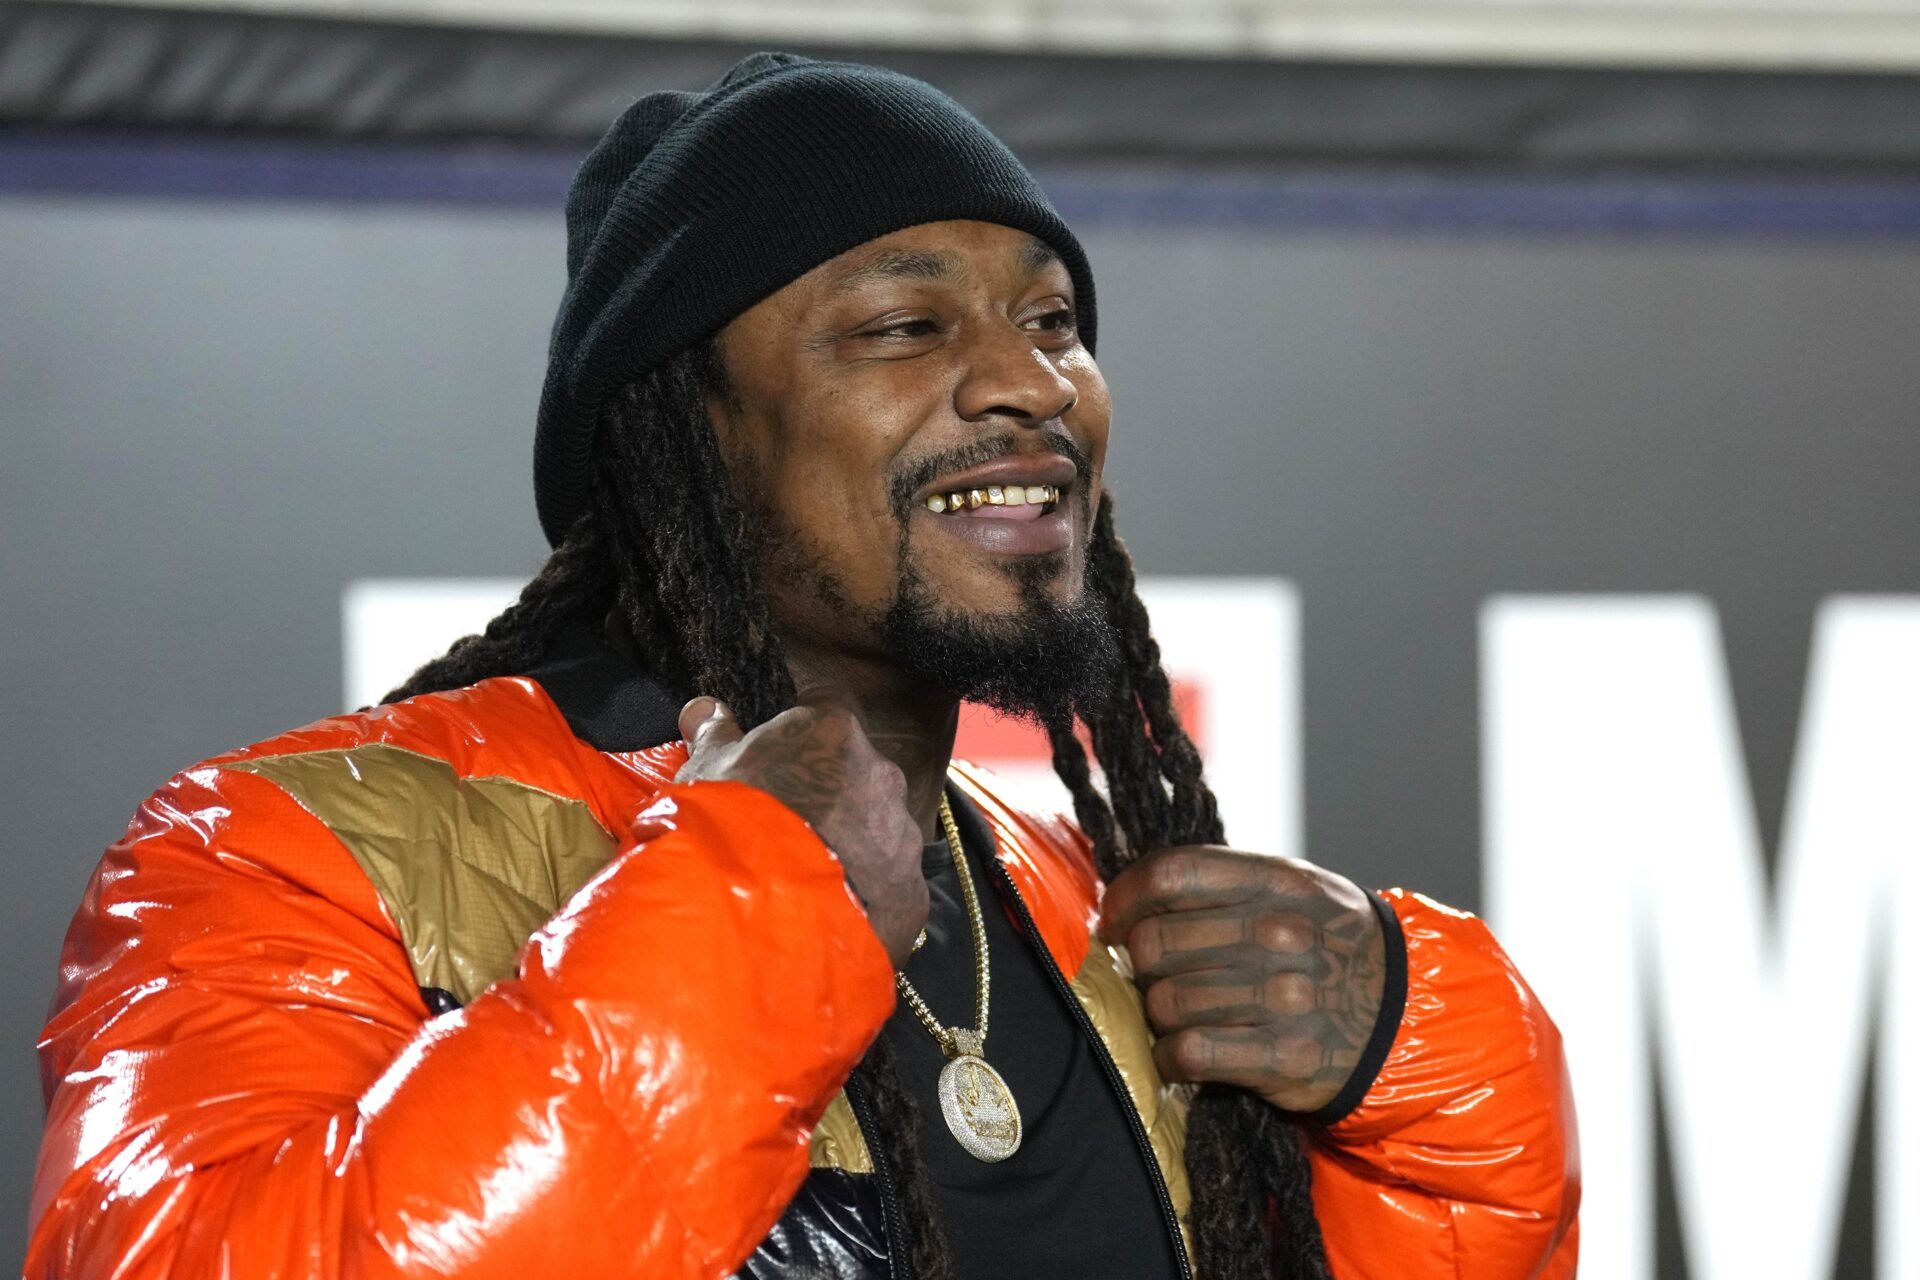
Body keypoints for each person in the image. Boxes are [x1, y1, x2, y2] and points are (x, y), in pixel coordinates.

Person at [28, 53, 1578, 1280]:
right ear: (682, 432)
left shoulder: (1087, 905)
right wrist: (744, 901)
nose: (1030, 383)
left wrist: (1428, 1073)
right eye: (905, 323)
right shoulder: (281, 856)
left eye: (1053, 319)